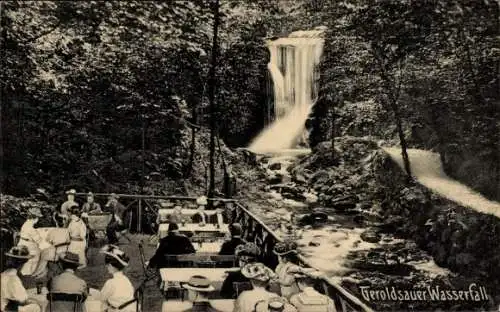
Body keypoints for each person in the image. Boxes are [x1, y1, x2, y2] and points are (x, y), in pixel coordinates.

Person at [1, 246, 42, 312]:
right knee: (36, 307)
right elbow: (22, 300)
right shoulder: (13, 279)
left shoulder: (3, 275)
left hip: (5, 306)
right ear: (22, 264)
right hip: (8, 309)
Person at [17, 208, 55, 278]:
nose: (38, 220)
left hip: (23, 243)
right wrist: (50, 245)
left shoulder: (26, 224)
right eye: (38, 218)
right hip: (28, 247)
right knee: (43, 251)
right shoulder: (30, 229)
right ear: (35, 218)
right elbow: (39, 241)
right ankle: (31, 274)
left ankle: (28, 273)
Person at [99, 245, 136, 312]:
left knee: (94, 303)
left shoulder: (110, 282)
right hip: (130, 309)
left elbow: (102, 297)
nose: (106, 267)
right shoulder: (126, 280)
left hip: (119, 310)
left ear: (110, 266)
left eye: (107, 266)